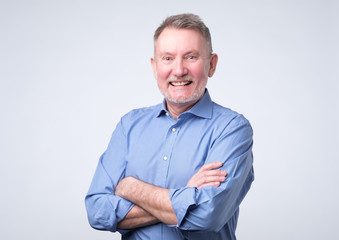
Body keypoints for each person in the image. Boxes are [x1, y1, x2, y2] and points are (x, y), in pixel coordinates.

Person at [85, 13, 254, 239]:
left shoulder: (232, 129)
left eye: (191, 57)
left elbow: (207, 215)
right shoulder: (130, 126)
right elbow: (97, 211)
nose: (179, 70)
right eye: (167, 58)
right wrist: (186, 195)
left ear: (211, 64)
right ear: (155, 67)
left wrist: (131, 188)